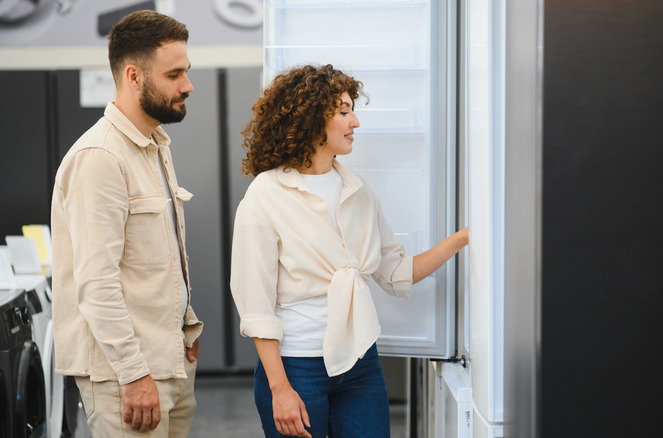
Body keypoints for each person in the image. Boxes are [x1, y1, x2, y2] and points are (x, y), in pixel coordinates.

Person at [230, 64, 469, 438]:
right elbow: (256, 307)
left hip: (360, 364)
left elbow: (395, 272)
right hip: (296, 368)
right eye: (343, 111)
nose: (354, 120)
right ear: (311, 119)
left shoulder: (357, 191)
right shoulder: (265, 195)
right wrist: (280, 390)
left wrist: (464, 238)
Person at [50, 10, 202, 437]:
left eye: (186, 72)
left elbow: (156, 258)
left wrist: (186, 324)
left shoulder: (155, 146)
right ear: (134, 76)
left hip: (169, 362)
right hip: (127, 379)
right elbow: (96, 283)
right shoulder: (100, 157)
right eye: (174, 74)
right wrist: (133, 374)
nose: (187, 85)